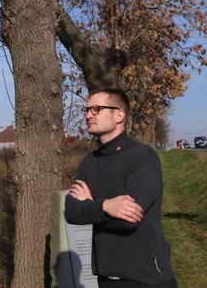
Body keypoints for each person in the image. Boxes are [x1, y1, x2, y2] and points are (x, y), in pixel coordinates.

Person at [65, 87, 177, 287]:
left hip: (146, 278)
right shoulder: (89, 162)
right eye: (87, 109)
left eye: (96, 109)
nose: (88, 115)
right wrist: (106, 207)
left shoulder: (143, 157)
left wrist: (90, 206)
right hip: (106, 278)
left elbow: (128, 219)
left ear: (119, 115)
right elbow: (72, 212)